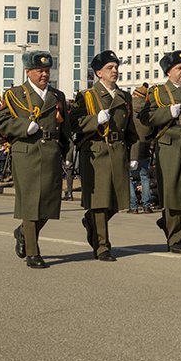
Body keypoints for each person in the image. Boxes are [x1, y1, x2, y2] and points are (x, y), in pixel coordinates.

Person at [0, 50, 72, 269]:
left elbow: (64, 128)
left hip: (51, 152)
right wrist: (22, 127)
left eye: (47, 70)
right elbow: (0, 121)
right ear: (28, 71)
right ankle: (33, 253)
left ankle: (22, 232)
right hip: (26, 152)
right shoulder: (16, 94)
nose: (44, 74)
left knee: (49, 202)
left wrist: (68, 153)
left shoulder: (57, 96)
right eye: (39, 70)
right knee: (30, 203)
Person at [71, 50, 139, 262]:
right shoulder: (86, 96)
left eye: (116, 67)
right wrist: (94, 120)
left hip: (118, 150)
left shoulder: (124, 96)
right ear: (98, 72)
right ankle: (102, 247)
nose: (115, 71)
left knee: (118, 200)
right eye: (110, 68)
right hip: (96, 151)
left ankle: (90, 220)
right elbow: (74, 124)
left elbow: (131, 129)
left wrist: (134, 153)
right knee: (100, 201)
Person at [140, 51, 181, 253]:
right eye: (179, 68)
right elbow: (146, 117)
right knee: (173, 191)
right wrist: (167, 113)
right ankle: (176, 239)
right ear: (169, 71)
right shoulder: (158, 93)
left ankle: (167, 221)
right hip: (169, 146)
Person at [128, 84, 155, 214]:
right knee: (144, 176)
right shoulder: (148, 108)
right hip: (145, 145)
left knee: (129, 177)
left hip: (132, 145)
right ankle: (146, 205)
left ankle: (133, 206)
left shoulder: (129, 106)